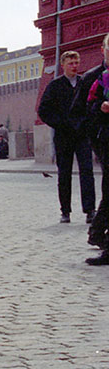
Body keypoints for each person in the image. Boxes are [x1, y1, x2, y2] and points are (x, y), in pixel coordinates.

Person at [38, 50, 96, 224]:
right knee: (64, 174)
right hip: (63, 136)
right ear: (63, 65)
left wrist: (87, 123)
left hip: (82, 135)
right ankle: (65, 211)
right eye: (70, 63)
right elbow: (43, 111)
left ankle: (90, 210)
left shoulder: (84, 83)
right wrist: (60, 123)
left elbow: (92, 104)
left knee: (87, 172)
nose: (74, 66)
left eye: (76, 63)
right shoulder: (55, 86)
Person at [83, 34, 109, 265]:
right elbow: (82, 111)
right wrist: (99, 107)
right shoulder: (98, 78)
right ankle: (99, 235)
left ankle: (99, 234)